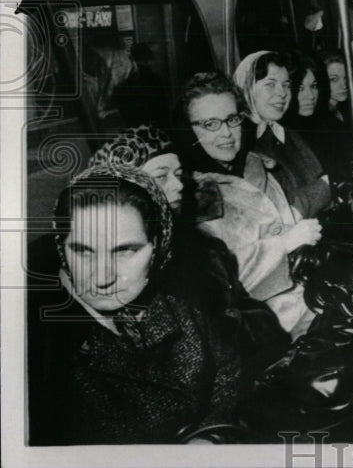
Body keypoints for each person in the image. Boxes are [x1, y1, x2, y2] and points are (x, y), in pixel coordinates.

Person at [27, 165, 240, 444]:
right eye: (82, 251)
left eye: (125, 251)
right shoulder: (39, 352)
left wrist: (211, 437)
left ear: (159, 246)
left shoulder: (181, 302)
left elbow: (227, 369)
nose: (102, 278)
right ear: (61, 247)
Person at [87, 125, 291, 392]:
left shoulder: (202, 245)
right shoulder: (113, 271)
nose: (178, 185)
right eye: (161, 176)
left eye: (178, 174)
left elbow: (240, 306)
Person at [178, 71, 320, 339]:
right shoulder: (194, 197)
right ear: (188, 129)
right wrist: (284, 245)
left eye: (232, 119)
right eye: (210, 124)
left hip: (310, 297)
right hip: (267, 328)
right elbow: (223, 287)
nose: (226, 133)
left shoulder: (255, 165)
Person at [233, 50, 332, 218]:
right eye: (270, 84)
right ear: (247, 88)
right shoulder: (240, 143)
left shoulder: (287, 133)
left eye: (286, 85)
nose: (282, 93)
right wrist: (326, 186)